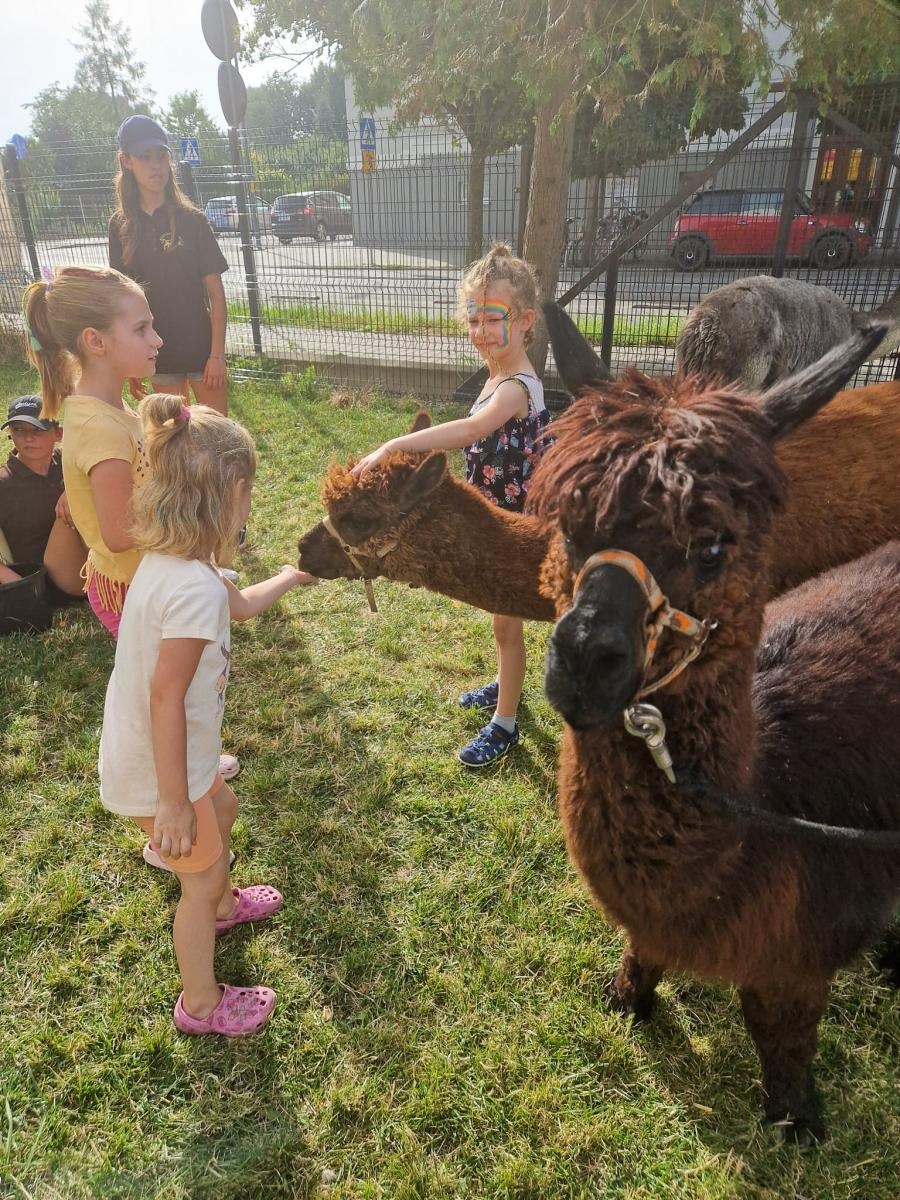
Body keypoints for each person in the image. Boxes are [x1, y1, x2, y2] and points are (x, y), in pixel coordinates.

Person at [99, 394, 317, 1036]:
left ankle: (222, 902)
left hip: (175, 758)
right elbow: (166, 697)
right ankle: (200, 1002)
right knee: (197, 877)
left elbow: (242, 605)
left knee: (223, 809)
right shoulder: (192, 591)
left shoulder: (178, 564)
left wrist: (290, 577)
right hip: (160, 768)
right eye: (250, 496)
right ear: (234, 494)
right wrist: (170, 803)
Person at [23, 265, 240, 783]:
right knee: (168, 691)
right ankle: (174, 789)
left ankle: (189, 763)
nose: (157, 339)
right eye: (142, 328)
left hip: (140, 578)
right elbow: (120, 532)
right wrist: (193, 533)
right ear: (95, 341)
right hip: (131, 588)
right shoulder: (99, 427)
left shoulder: (108, 405)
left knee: (172, 686)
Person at [352, 243, 550, 766]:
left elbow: (473, 430)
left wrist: (396, 446)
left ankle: (505, 723)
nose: (481, 331)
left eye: (493, 319)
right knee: (499, 620)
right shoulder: (495, 373)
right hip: (492, 517)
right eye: (473, 319)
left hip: (513, 526)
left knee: (507, 621)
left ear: (526, 320)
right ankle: (507, 683)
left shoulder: (517, 386)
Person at [109, 115, 230, 415]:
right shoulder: (120, 226)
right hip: (157, 357)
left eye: (161, 156)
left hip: (203, 354)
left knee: (218, 443)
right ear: (126, 161)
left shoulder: (193, 220)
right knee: (175, 445)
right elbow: (122, 303)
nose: (156, 165)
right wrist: (132, 364)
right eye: (145, 157)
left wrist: (217, 355)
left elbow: (216, 295)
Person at [0, 395, 86, 597]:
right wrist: (16, 582)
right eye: (18, 430)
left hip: (87, 560)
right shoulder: (4, 482)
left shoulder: (71, 462)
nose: (28, 438)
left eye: (37, 429)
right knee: (80, 499)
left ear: (59, 433)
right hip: (43, 579)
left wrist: (73, 486)